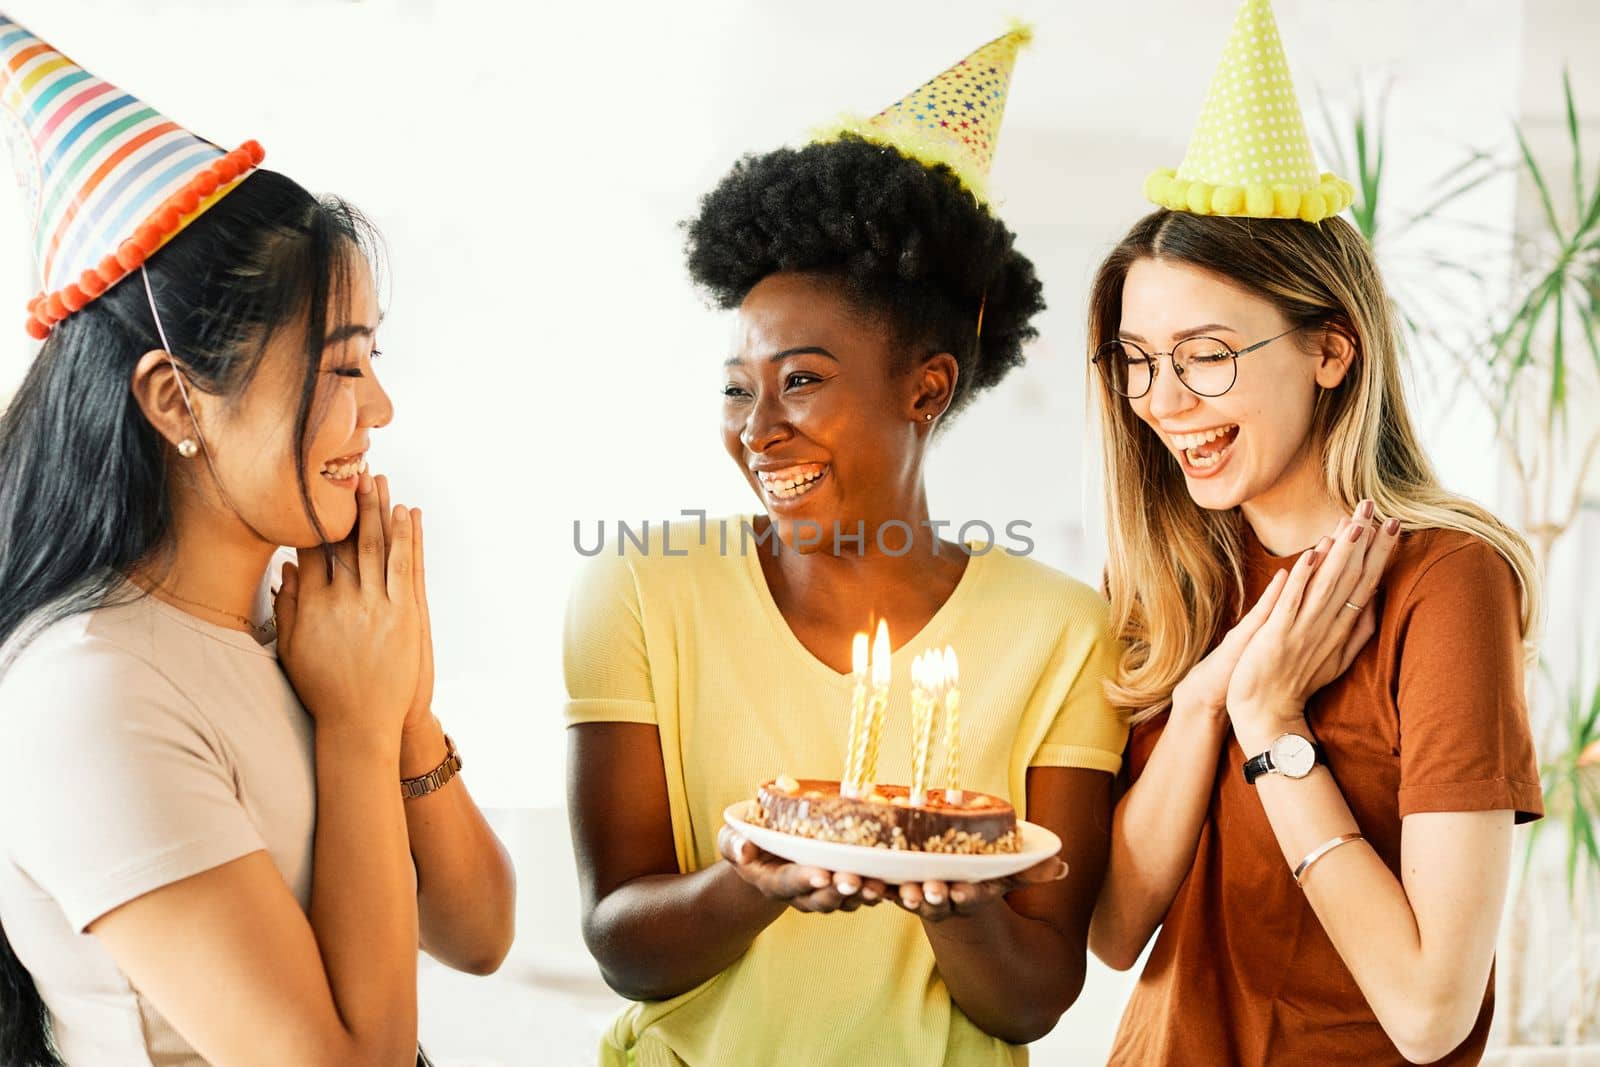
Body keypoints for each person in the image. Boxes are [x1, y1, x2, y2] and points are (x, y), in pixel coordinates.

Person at [563, 26, 1128, 1067]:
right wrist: (755, 880)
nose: (756, 424)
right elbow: (620, 946)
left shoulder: (1061, 629)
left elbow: (1035, 996)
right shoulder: (643, 587)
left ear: (927, 388)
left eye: (805, 379)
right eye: (739, 385)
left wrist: (951, 902)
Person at [0, 16, 514, 1065]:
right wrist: (360, 730)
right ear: (176, 401)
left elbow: (480, 933)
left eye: (372, 357)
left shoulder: (294, 626)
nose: (381, 408)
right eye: (340, 365)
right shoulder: (92, 694)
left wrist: (402, 709)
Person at [1085, 3, 1543, 1063]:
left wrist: (1269, 721)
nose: (1163, 400)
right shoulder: (1172, 574)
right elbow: (1112, 927)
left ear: (1330, 350)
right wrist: (1204, 696)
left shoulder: (1447, 580)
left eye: (1204, 352)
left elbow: (1429, 1012)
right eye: (1138, 359)